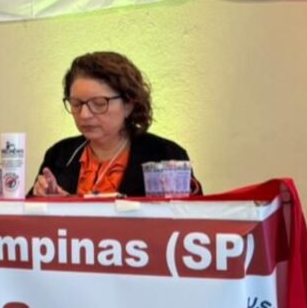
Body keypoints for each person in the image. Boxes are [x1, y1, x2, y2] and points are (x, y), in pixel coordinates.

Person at [31, 51, 201, 198]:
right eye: (76, 104)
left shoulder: (164, 155)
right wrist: (46, 201)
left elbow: (190, 218)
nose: (84, 115)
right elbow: (27, 220)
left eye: (99, 104)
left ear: (128, 104)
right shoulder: (59, 154)